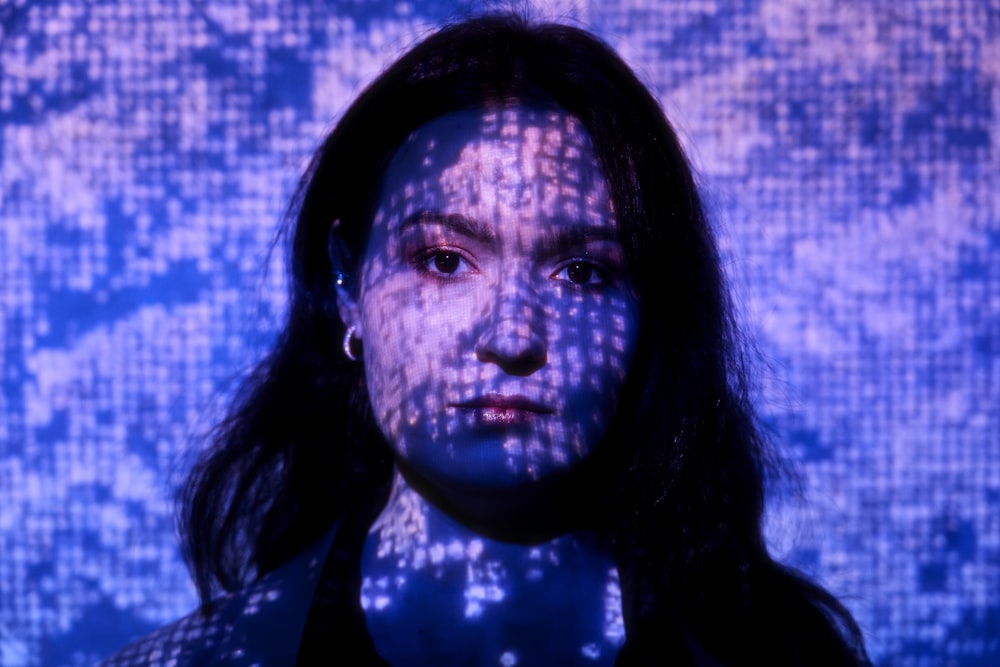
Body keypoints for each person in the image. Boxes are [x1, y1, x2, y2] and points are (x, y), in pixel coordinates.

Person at [102, 14, 871, 666]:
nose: (511, 334)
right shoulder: (205, 659)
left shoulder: (777, 653)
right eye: (443, 261)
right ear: (348, 285)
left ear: (650, 310)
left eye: (581, 272)